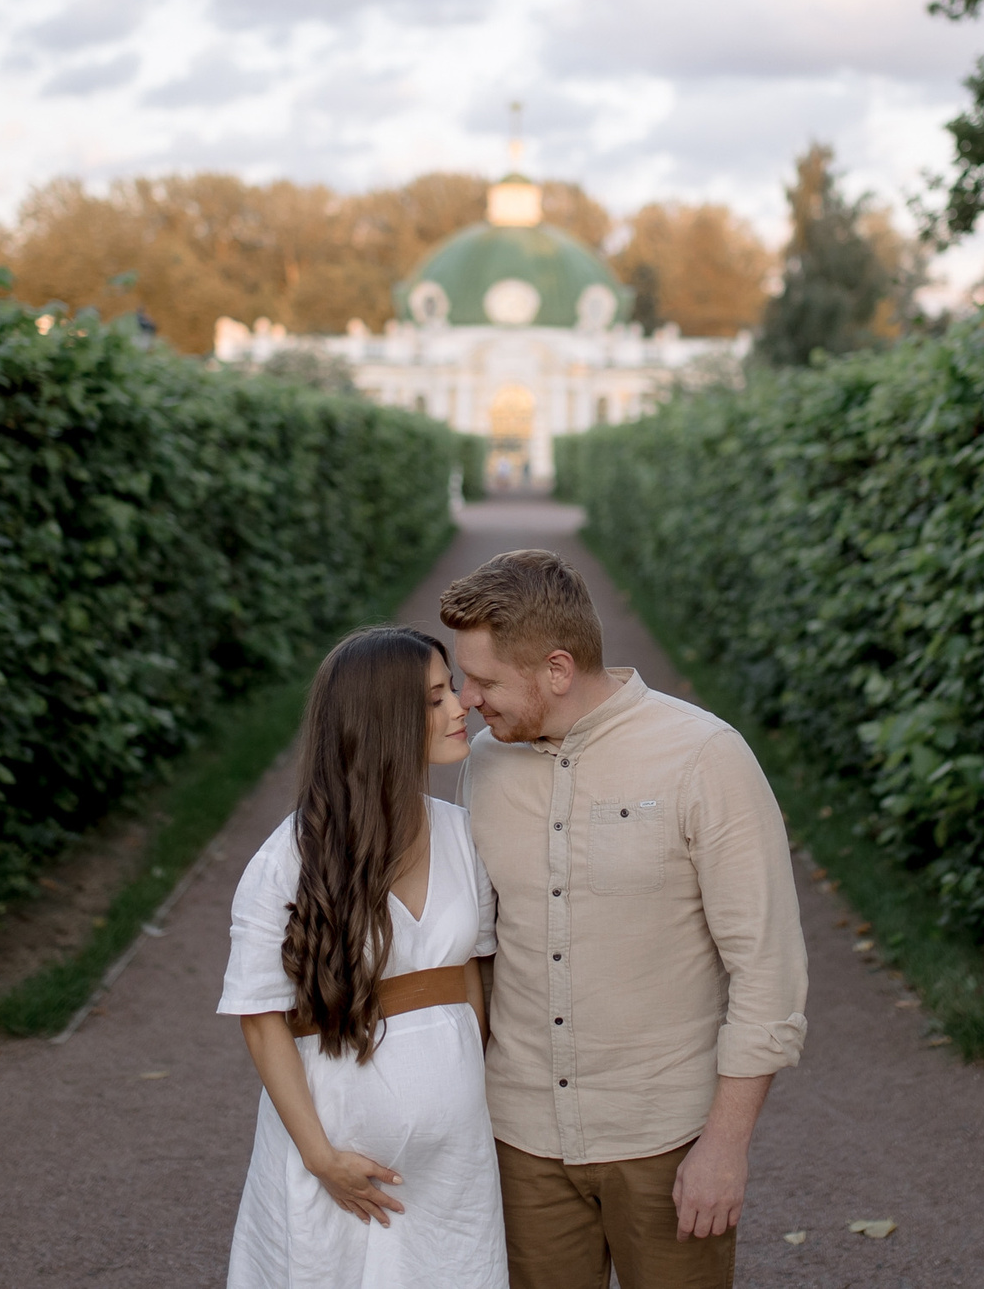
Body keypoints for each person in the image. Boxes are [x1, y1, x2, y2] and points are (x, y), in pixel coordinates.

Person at [440, 551, 807, 1289]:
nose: (466, 698)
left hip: (666, 1139)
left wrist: (725, 1146)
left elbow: (767, 966)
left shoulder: (704, 756)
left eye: (483, 680)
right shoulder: (484, 763)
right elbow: (476, 943)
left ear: (555, 668)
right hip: (522, 1140)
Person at [220, 627, 508, 1289]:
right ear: (383, 721)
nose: (461, 706)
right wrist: (321, 1158)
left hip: (454, 1167)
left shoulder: (465, 837)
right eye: (435, 698)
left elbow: (471, 975)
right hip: (340, 1165)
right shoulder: (289, 859)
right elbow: (261, 1018)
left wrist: (458, 1094)